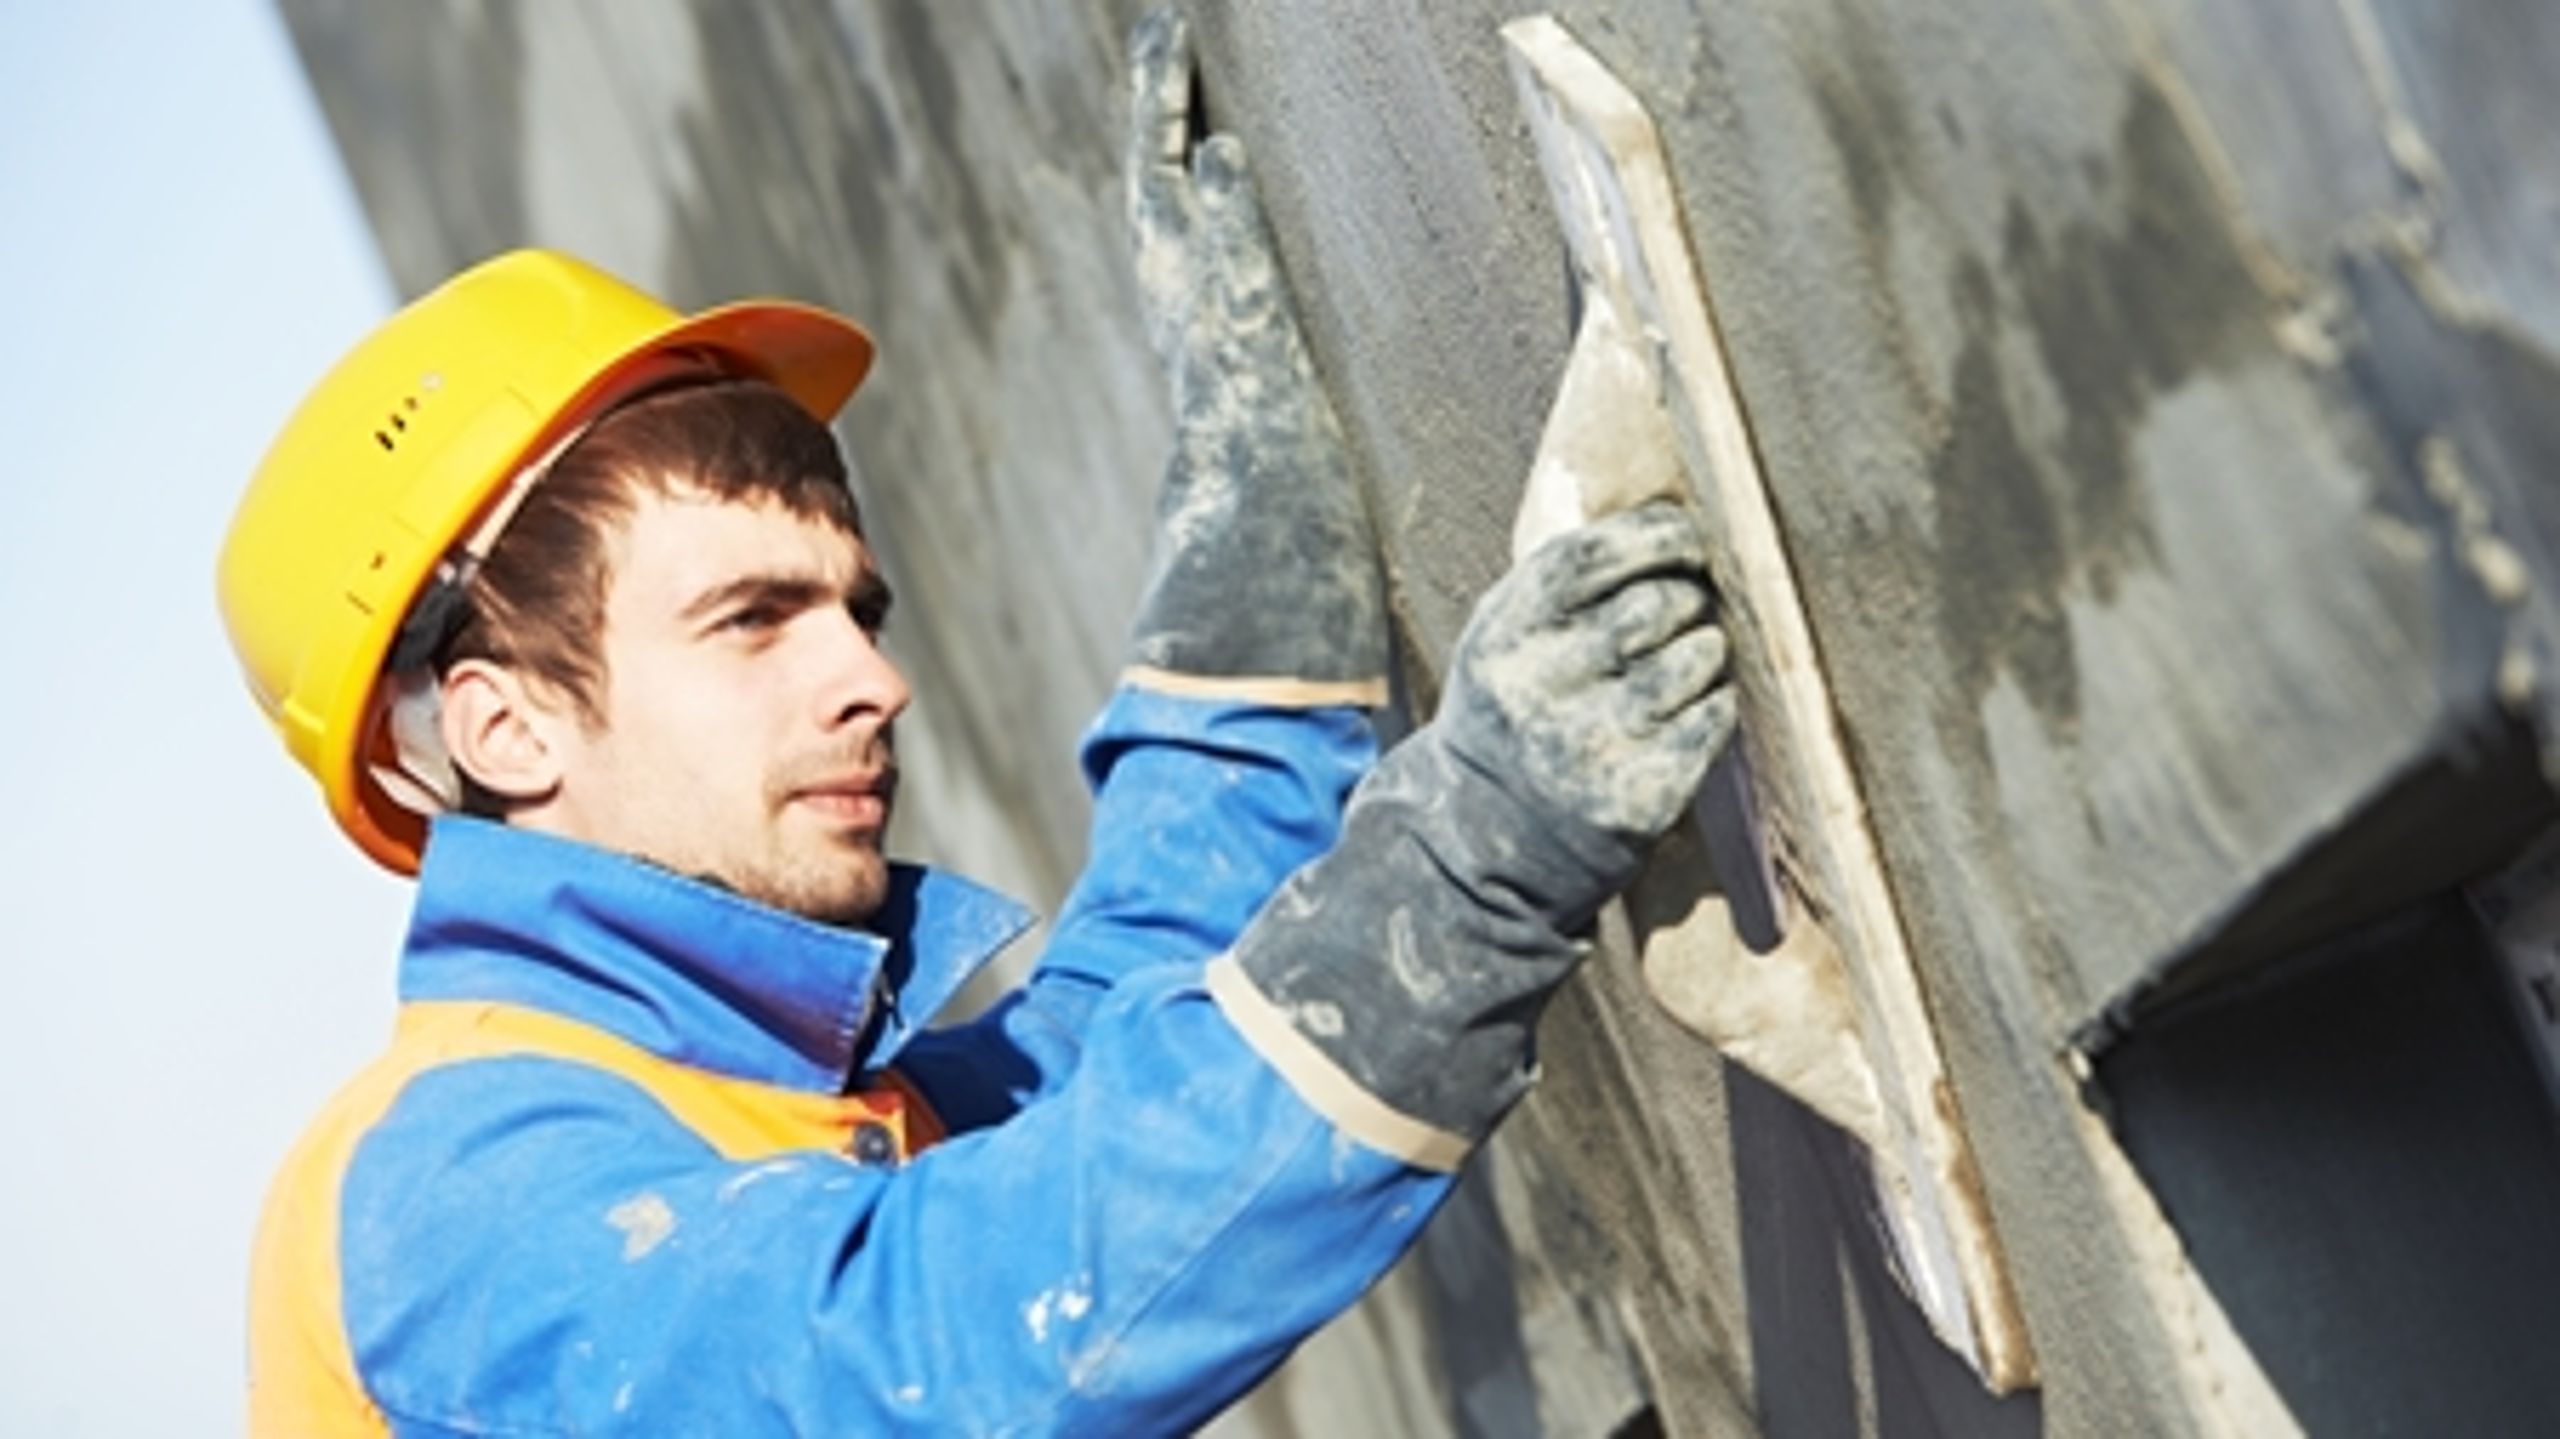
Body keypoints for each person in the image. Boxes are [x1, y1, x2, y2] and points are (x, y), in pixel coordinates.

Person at [224, 13, 1734, 1435]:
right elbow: (922, 1353)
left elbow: (1121, 1040)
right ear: (505, 730)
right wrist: (1470, 866)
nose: (874, 683)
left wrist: (1259, 533)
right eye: (752, 619)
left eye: (857, 613)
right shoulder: (441, 1199)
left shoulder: (782, 1109)